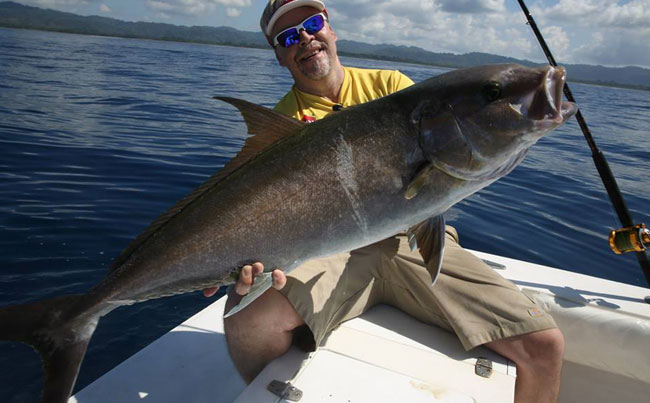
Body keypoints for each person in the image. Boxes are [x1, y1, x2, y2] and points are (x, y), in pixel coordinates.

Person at [205, 1, 565, 402]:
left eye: (312, 24)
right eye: (289, 36)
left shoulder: (392, 86)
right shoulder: (283, 124)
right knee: (245, 314)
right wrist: (234, 263)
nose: (305, 38)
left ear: (331, 30)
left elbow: (450, 165)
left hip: (413, 239)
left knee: (544, 344)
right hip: (330, 253)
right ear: (279, 54)